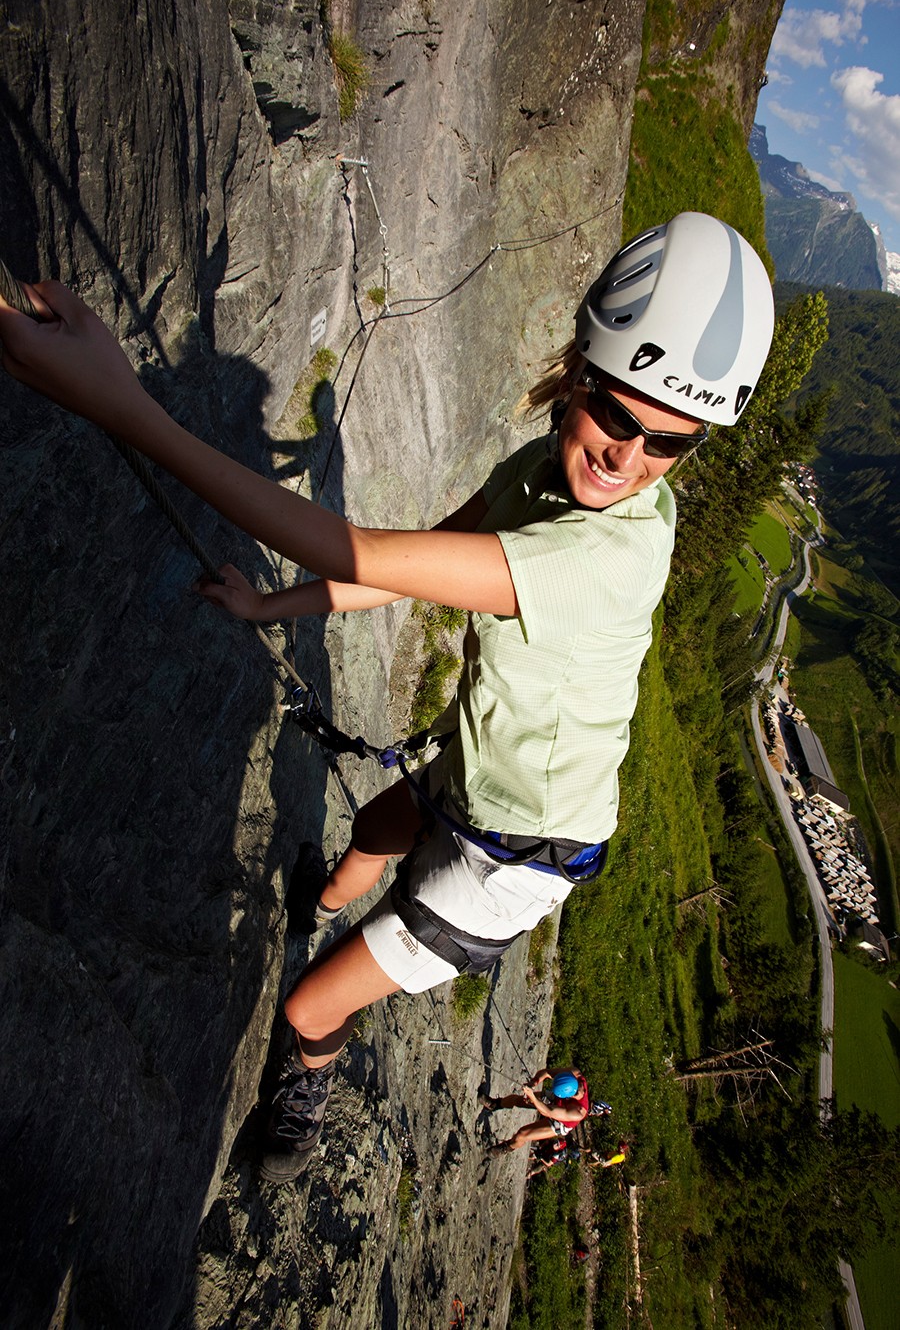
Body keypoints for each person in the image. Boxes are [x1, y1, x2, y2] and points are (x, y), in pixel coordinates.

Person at [0, 211, 775, 1183]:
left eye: (671, 444)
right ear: (579, 372)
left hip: (520, 855)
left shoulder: (605, 554)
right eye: (618, 415)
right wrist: (268, 607)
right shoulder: (541, 477)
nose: (630, 458)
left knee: (307, 1009)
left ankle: (303, 1106)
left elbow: (356, 550)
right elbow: (399, 571)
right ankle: (312, 909)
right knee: (371, 831)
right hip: (485, 770)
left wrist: (124, 408)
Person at [483, 1067, 591, 1153]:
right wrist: (533, 1083)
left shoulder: (578, 1112)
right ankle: (495, 1104)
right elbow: (547, 1072)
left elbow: (548, 1111)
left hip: (562, 1122)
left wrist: (533, 1097)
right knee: (520, 1100)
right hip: (556, 1099)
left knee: (522, 1134)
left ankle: (505, 1148)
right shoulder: (575, 1074)